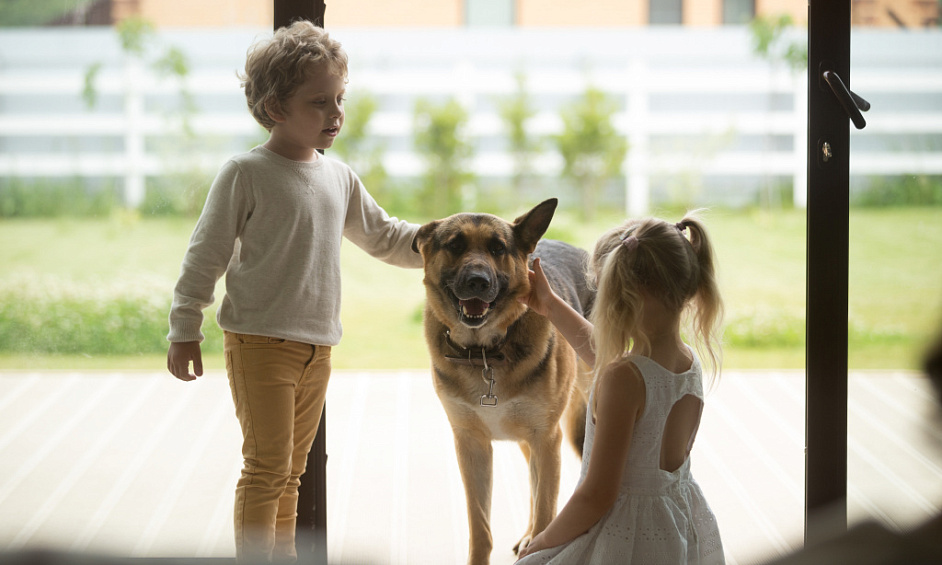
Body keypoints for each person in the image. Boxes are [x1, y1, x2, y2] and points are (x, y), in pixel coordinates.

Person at [165, 21, 422, 562]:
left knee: (292, 473)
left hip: (318, 349)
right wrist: (184, 328)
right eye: (318, 102)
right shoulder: (246, 173)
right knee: (265, 469)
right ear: (275, 108)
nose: (336, 113)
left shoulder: (340, 178)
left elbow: (386, 237)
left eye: (339, 99)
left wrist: (449, 240)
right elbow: (204, 255)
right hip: (259, 344)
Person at [515, 213, 726, 564]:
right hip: (674, 522)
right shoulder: (684, 361)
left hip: (625, 536)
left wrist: (542, 541)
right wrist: (549, 305)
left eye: (603, 289)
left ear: (625, 296)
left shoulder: (624, 378)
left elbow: (596, 496)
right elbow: (602, 355)